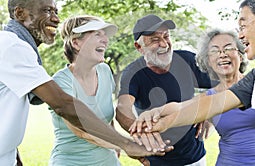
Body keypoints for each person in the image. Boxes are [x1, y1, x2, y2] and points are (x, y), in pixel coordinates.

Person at [130, 0, 255, 165]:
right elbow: (209, 104)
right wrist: (160, 120)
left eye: (243, 26)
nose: (241, 35)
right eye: (215, 51)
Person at [0, 0, 163, 165]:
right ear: (20, 14)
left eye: (56, 11)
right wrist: (127, 144)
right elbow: (65, 106)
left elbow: (7, 112)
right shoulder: (12, 46)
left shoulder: (104, 71)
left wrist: (14, 159)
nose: (56, 19)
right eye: (48, 10)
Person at [116, 14, 211, 166]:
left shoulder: (187, 60)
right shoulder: (133, 73)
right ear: (139, 47)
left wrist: (207, 110)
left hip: (196, 158)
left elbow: (226, 85)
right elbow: (122, 109)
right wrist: (140, 133)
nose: (164, 44)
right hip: (157, 160)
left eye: (166, 36)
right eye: (154, 39)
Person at [196, 29, 255, 165]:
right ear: (208, 60)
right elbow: (180, 117)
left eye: (228, 48)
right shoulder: (207, 99)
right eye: (214, 51)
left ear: (240, 54)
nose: (222, 55)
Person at [48, 15, 122, 165]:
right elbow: (81, 131)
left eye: (105, 35)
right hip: (71, 161)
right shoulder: (61, 82)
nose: (105, 40)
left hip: (107, 160)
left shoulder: (105, 71)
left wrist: (115, 144)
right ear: (76, 43)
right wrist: (127, 145)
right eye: (97, 34)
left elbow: (106, 117)